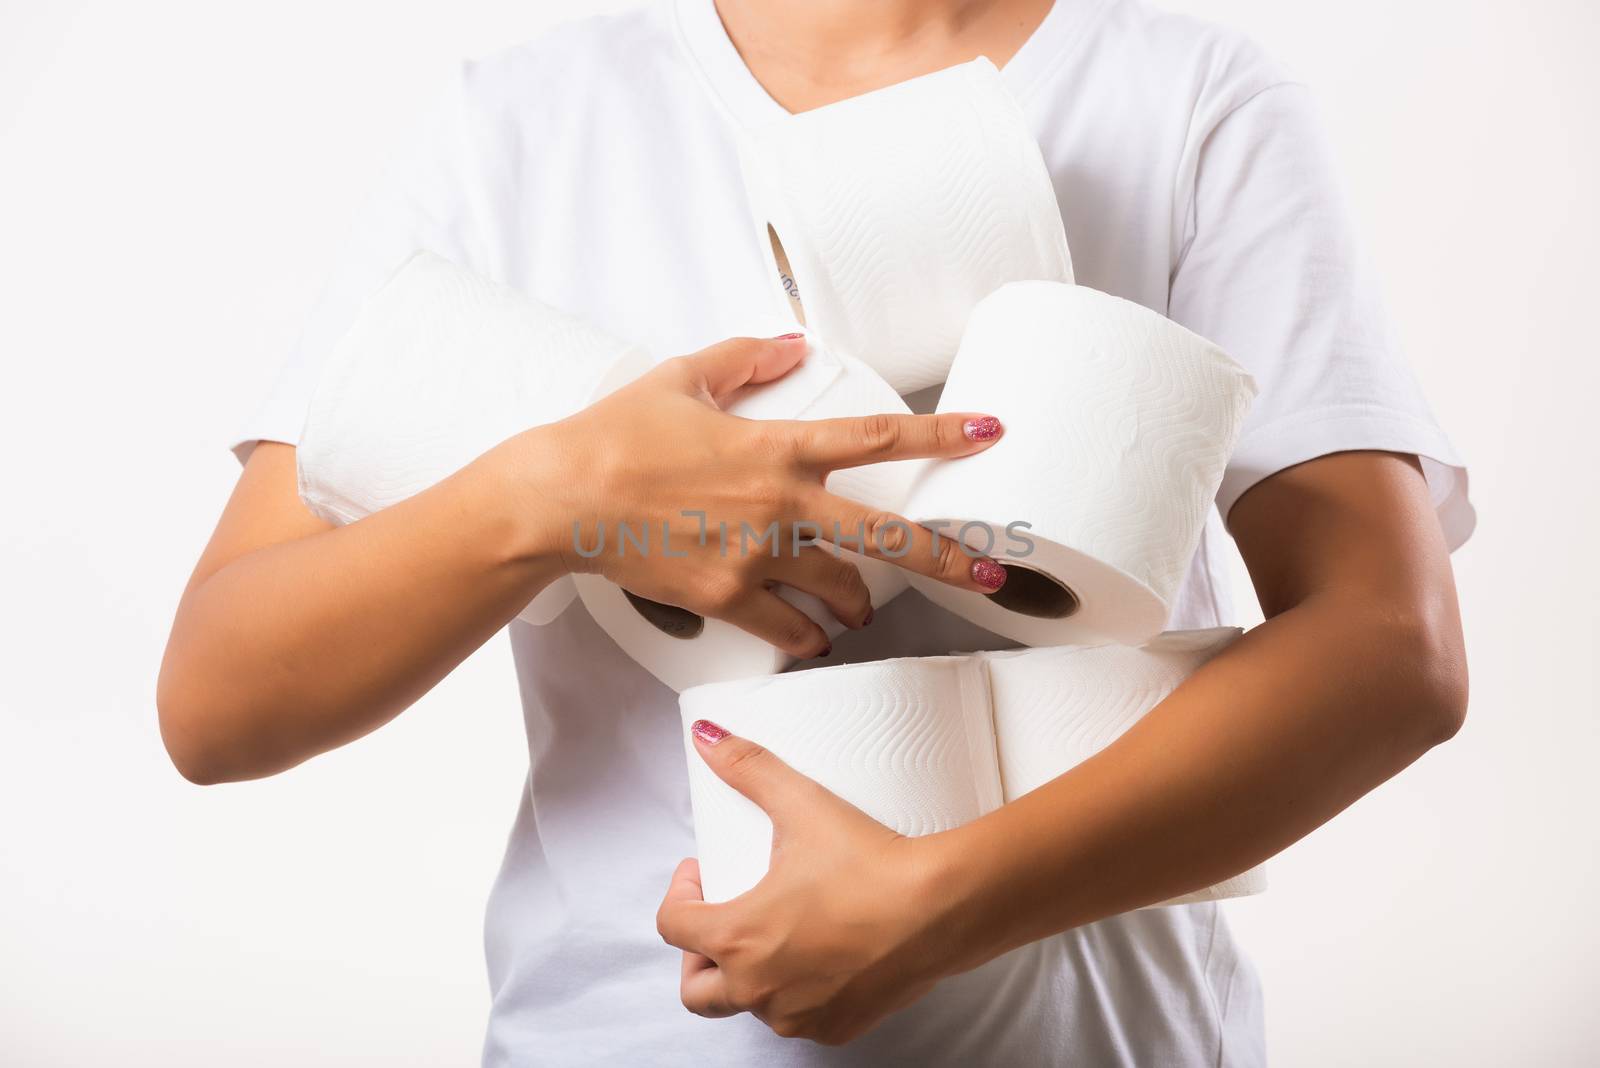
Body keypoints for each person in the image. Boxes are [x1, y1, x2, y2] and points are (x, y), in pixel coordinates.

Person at [157, 0, 1473, 1064]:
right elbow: (219, 698)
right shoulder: (523, 129)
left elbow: (1387, 648)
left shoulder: (1188, 103)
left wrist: (944, 904)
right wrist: (556, 502)